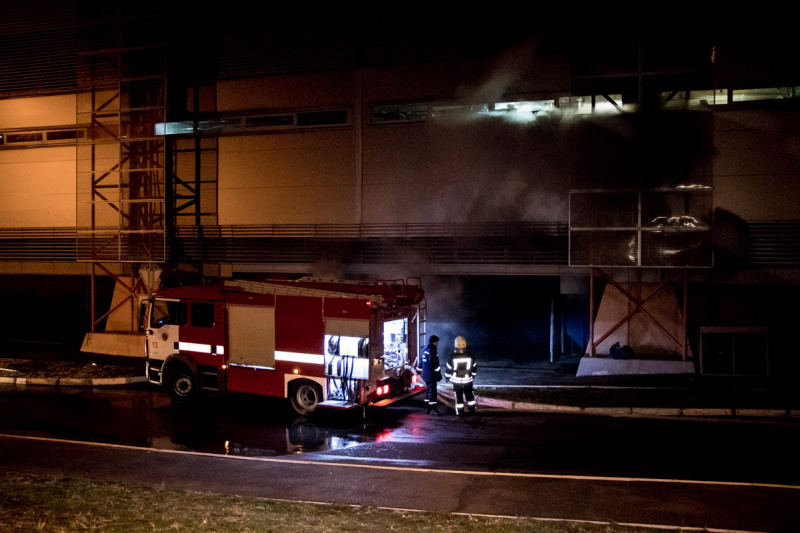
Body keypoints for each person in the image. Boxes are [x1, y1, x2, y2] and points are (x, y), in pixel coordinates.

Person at [445, 336, 477, 415]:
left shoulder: (452, 356)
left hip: (456, 379)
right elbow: (474, 367)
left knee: (458, 395)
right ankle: (472, 409)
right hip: (468, 378)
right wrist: (473, 375)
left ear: (455, 344)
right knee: (469, 393)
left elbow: (449, 368)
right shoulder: (470, 355)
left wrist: (447, 377)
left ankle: (460, 411)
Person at [416, 335, 441, 415]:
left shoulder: (425, 350)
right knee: (432, 392)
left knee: (427, 391)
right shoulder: (432, 350)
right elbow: (434, 363)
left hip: (426, 375)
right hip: (432, 375)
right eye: (437, 341)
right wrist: (438, 373)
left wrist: (418, 370)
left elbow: (421, 361)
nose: (438, 343)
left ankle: (427, 408)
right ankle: (433, 409)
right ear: (434, 342)